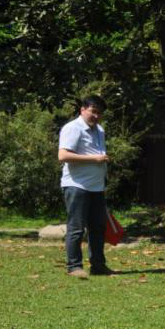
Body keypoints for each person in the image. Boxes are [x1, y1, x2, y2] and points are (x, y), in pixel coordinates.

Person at [58, 95, 111, 279]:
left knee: (98, 228)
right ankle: (74, 267)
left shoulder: (99, 130)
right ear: (82, 109)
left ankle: (98, 266)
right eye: (93, 111)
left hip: (96, 187)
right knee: (76, 228)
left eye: (100, 113)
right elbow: (63, 156)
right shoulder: (72, 128)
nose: (96, 116)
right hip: (76, 186)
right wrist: (94, 159)